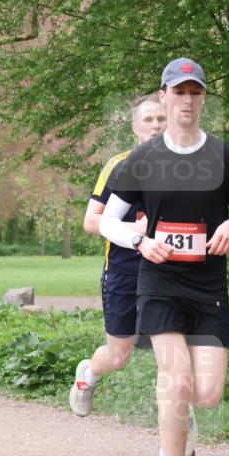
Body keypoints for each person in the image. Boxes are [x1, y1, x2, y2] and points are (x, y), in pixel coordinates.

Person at [100, 59, 229, 456]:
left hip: (208, 286)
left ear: (203, 98)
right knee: (176, 377)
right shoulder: (143, 158)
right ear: (164, 96)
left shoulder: (224, 157)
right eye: (179, 92)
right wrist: (140, 241)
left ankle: (179, 410)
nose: (187, 100)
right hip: (160, 281)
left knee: (206, 393)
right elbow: (108, 220)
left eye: (195, 92)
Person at [69, 93, 163, 414]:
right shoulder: (120, 165)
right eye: (148, 120)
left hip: (167, 271)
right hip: (124, 270)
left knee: (174, 345)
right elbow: (90, 221)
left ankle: (179, 419)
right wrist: (138, 231)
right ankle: (88, 375)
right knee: (119, 355)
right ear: (135, 127)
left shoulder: (185, 166)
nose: (155, 126)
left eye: (161, 119)